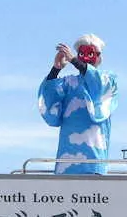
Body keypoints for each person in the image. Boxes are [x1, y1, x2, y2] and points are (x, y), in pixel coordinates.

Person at [38, 33, 118, 174]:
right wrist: (56, 69)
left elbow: (98, 85)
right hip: (67, 159)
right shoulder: (68, 83)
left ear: (99, 57)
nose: (87, 58)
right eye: (82, 53)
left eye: (91, 53)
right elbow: (49, 97)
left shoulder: (108, 80)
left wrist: (75, 61)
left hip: (95, 158)